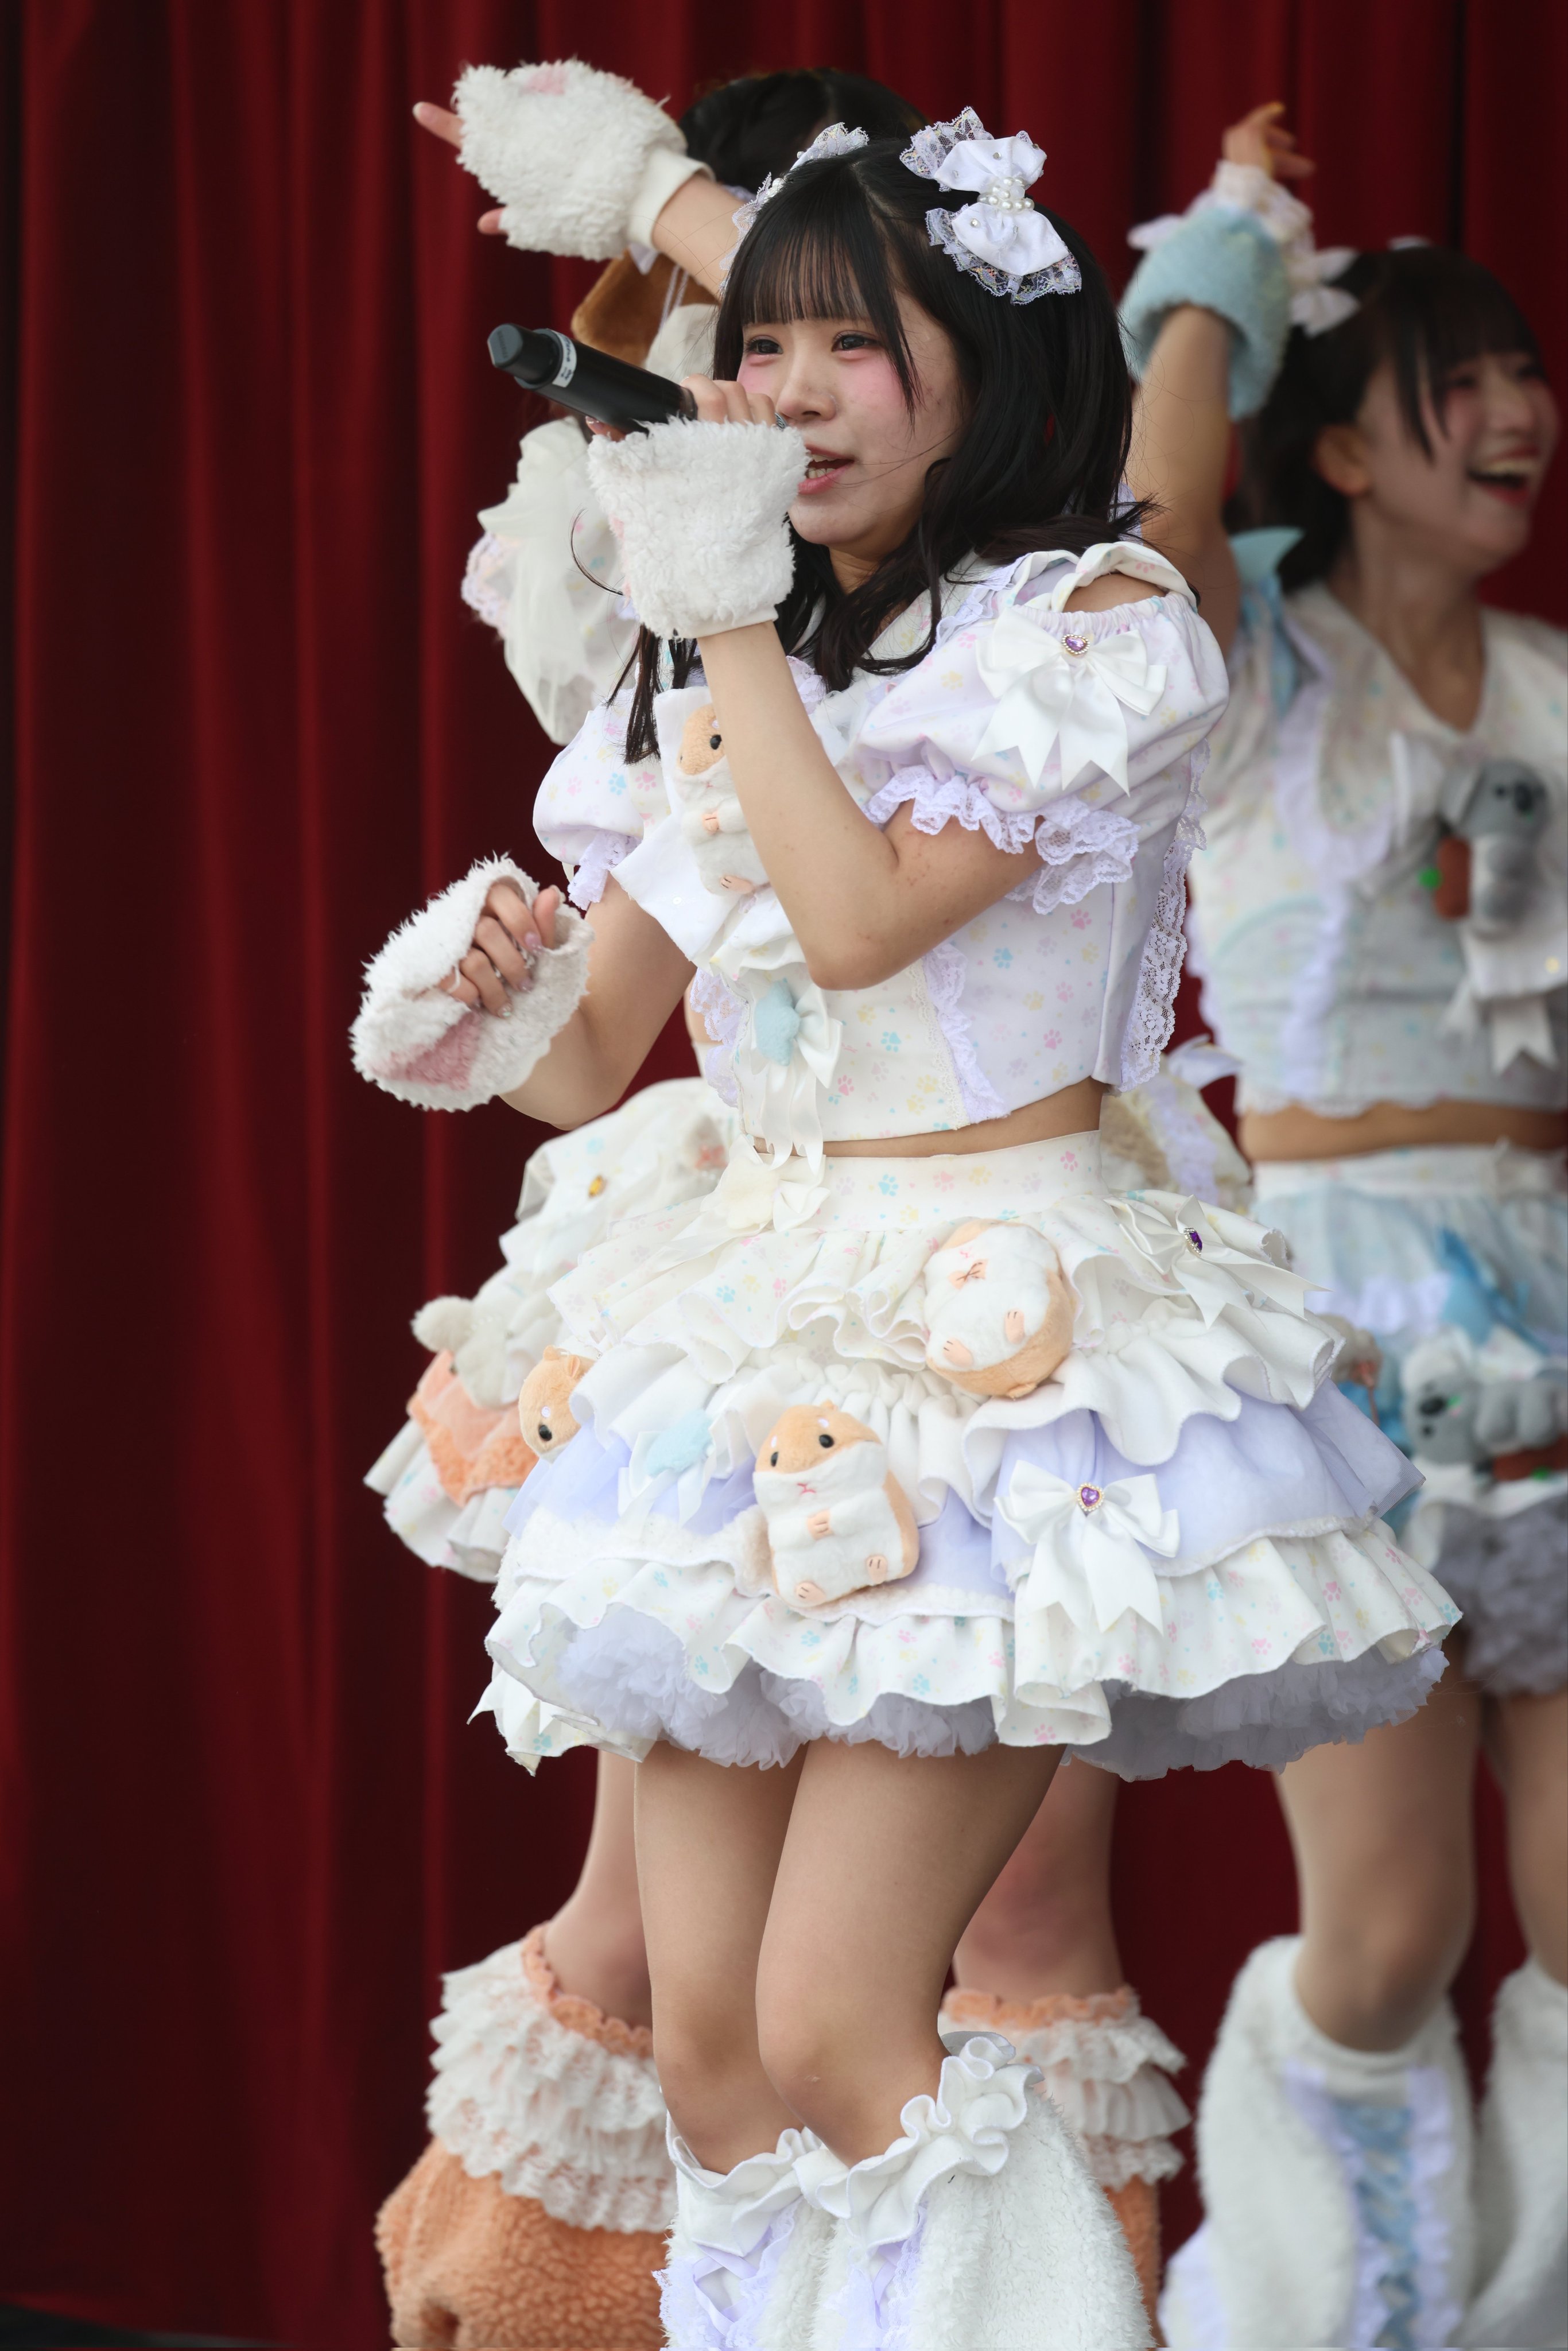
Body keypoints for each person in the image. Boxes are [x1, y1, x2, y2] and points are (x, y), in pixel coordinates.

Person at [355, 98, 1458, 2348]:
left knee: (847, 2026)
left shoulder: (1084, 630)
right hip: (751, 1338)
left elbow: (856, 921)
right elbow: (592, 1050)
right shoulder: (721, 653)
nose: (784, 394)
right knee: (710, 2051)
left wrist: (726, 619)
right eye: (754, 348)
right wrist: (470, 993)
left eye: (849, 348)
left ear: (974, 367)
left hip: (995, 1346)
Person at [1118, 103, 1567, 2351]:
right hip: (1334, 1322)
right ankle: (1314, 2326)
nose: (1515, 411)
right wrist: (1224, 251)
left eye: (1521, 372)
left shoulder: (1561, 691)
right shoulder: (1248, 667)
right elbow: (1162, 511)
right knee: (1385, 1942)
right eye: (1452, 380)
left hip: (1549, 1287)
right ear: (1347, 446)